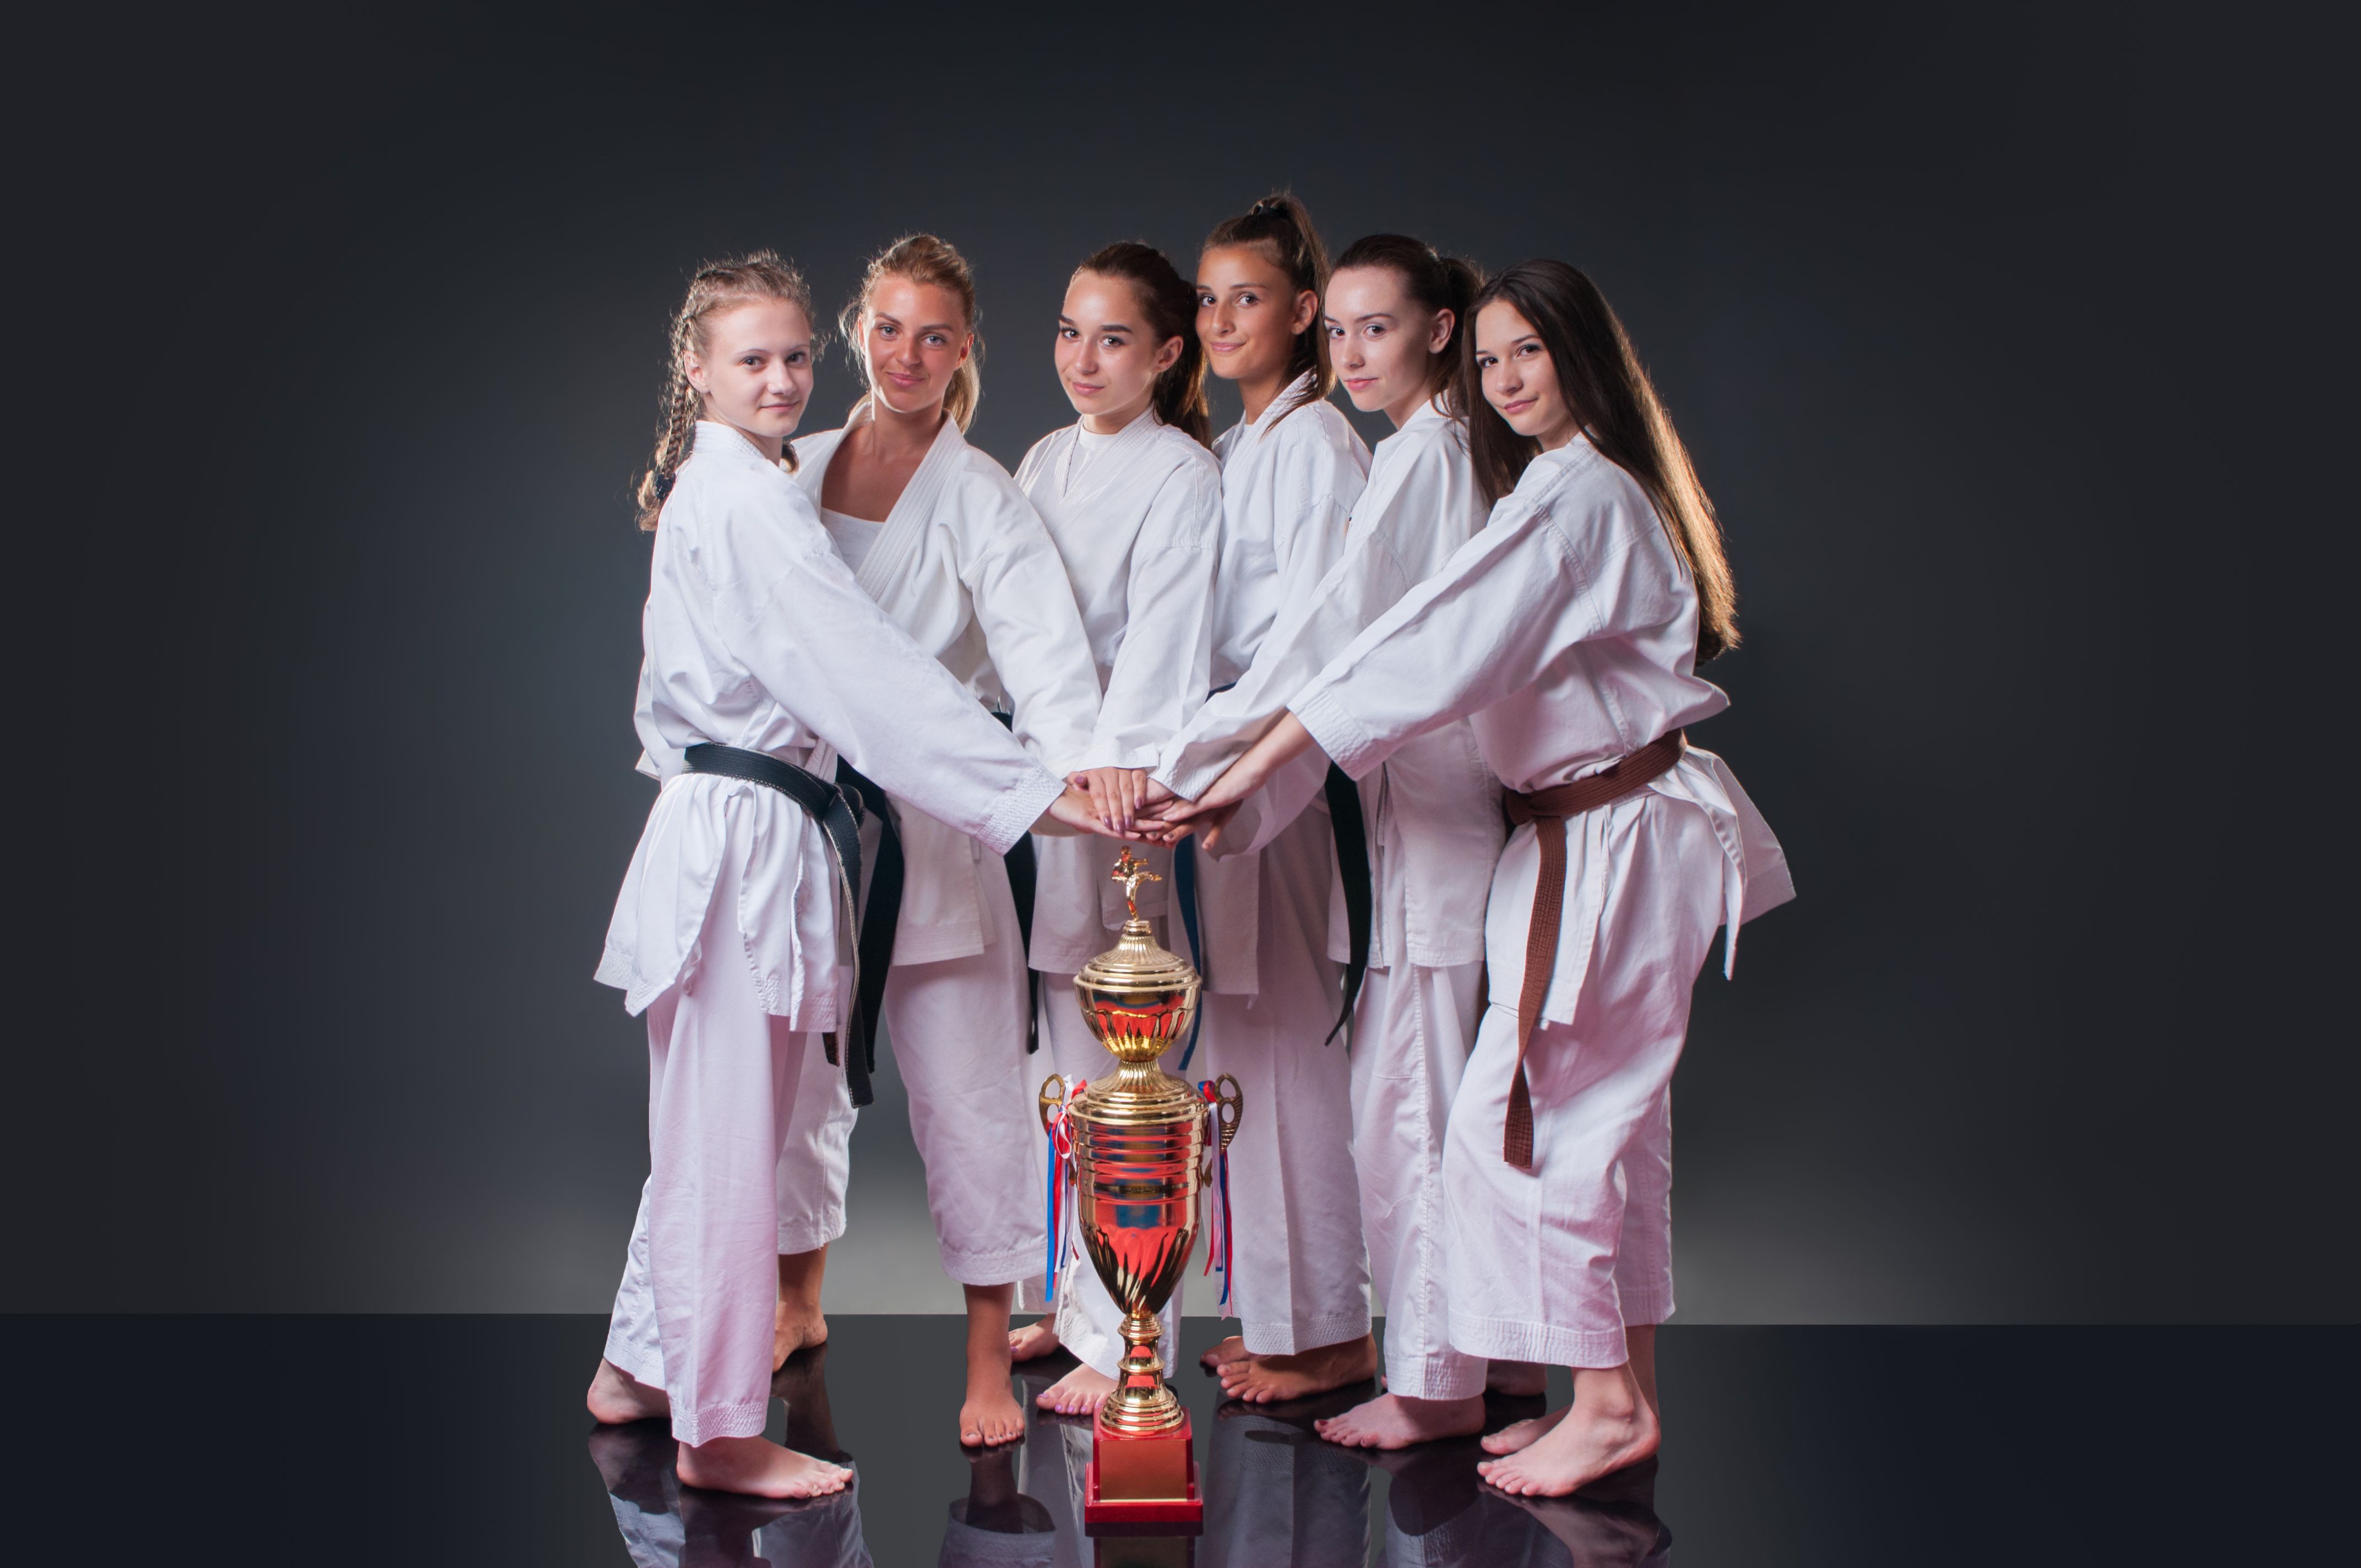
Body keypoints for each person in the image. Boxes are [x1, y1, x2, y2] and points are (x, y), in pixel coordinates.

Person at [1150, 259, 1793, 1494]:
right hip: (1599, 830)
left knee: (1528, 1123)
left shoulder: (1570, 497)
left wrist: (1243, 771)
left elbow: (1414, 655)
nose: (1502, 382)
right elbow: (1396, 648)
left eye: (1527, 355)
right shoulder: (1568, 487)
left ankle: (1603, 1406)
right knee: (1602, 1127)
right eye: (1490, 360)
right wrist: (1253, 767)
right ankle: (1620, 1399)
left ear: (1580, 357)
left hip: (1603, 836)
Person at [581, 252, 1108, 1496]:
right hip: (754, 833)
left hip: (784, 833)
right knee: (726, 1145)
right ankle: (715, 1431)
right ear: (697, 371)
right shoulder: (761, 493)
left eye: (790, 357)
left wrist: (1063, 773)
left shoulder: (759, 485)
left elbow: (964, 665)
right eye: (750, 358)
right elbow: (866, 677)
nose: (779, 377)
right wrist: (1034, 795)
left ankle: (637, 1370)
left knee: (717, 1134)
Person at [1152, 234, 1514, 1442]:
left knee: (1402, 1096)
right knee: (1421, 1090)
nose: (1356, 352)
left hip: (1413, 804)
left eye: (1377, 327)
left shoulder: (1393, 456)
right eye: (1346, 330)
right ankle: (1482, 1360)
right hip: (1374, 793)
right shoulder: (1400, 451)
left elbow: (1325, 640)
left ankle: (1419, 1376)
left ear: (1437, 330)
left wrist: (1216, 774)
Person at [770, 234, 1104, 1449]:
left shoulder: (979, 495)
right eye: (889, 326)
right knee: (802, 1069)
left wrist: (1082, 774)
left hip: (937, 821)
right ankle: (796, 1298)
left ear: (964, 351)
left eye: (935, 335)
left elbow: (1044, 659)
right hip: (809, 821)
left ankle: (982, 1345)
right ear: (859, 324)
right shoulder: (789, 468)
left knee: (967, 1088)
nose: (906, 354)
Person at [1003, 241, 1223, 1415]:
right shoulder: (1041, 459)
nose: (1082, 360)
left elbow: (1164, 639)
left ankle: (1128, 1326)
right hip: (1046, 775)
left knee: (1124, 1051)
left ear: (1166, 352)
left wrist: (1117, 772)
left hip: (1115, 785)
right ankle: (1081, 1293)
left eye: (1114, 338)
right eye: (1067, 330)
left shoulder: (1181, 471)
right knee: (1051, 1043)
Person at [1181, 192, 1377, 1404]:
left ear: (1303, 311)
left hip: (1284, 774)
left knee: (1297, 1046)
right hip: (1224, 764)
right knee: (1240, 1042)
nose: (1217, 320)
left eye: (1243, 297)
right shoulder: (1229, 450)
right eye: (1204, 300)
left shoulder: (1316, 446)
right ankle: (1276, 1308)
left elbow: (1312, 640)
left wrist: (1208, 757)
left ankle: (1332, 1333)